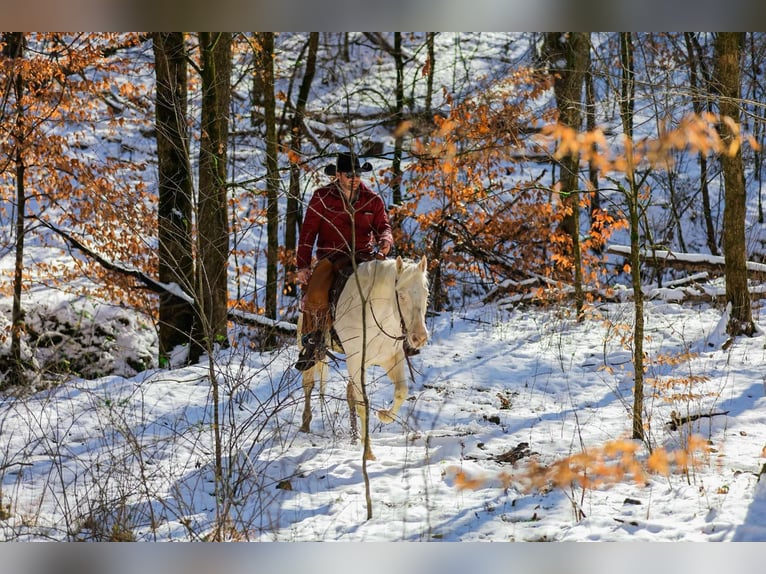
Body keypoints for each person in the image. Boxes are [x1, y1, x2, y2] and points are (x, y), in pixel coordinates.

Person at [294, 151, 394, 371]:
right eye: (349, 174)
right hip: (332, 256)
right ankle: (315, 340)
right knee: (317, 291)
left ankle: (397, 332)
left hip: (363, 257)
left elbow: (383, 227)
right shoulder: (322, 197)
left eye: (358, 173)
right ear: (337, 175)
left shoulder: (373, 199)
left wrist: (385, 240)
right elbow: (308, 232)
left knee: (393, 284)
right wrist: (302, 265)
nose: (354, 178)